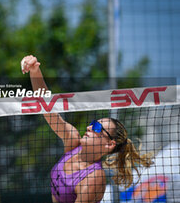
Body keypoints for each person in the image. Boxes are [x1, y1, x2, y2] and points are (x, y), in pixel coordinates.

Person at [21, 55, 154, 203]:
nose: (89, 127)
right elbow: (48, 111)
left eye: (97, 127)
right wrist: (35, 71)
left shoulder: (94, 178)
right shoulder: (73, 142)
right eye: (93, 123)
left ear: (109, 144)